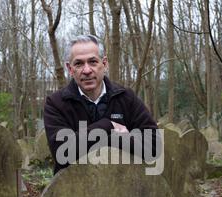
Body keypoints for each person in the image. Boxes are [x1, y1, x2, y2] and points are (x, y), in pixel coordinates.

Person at [44, 35, 160, 174]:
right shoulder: (56, 103)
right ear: (70, 69)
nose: (87, 70)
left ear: (104, 64)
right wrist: (108, 125)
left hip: (122, 185)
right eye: (79, 64)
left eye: (93, 62)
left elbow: (154, 147)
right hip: (73, 189)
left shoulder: (126, 98)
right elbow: (61, 153)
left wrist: (110, 140)